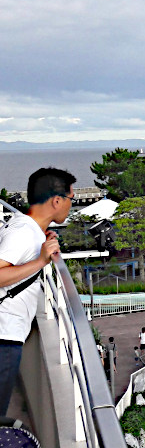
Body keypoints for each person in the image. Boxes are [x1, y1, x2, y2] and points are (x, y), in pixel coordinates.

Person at [0, 167, 75, 416]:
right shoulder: (23, 232)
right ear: (56, 200)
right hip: (4, 336)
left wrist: (43, 241)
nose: (70, 206)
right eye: (71, 199)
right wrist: (41, 261)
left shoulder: (31, 231)